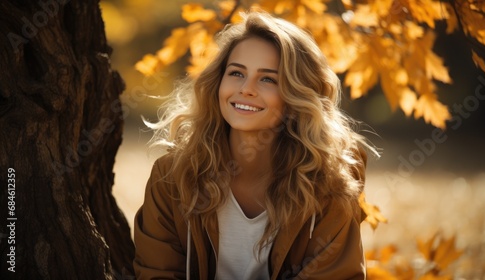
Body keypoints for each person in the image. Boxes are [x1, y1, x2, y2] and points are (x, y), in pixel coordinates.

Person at [134, 11, 375, 280]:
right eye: (236, 73)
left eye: (268, 79)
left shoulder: (331, 181)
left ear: (297, 95)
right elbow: (156, 273)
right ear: (218, 82)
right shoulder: (172, 177)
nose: (246, 89)